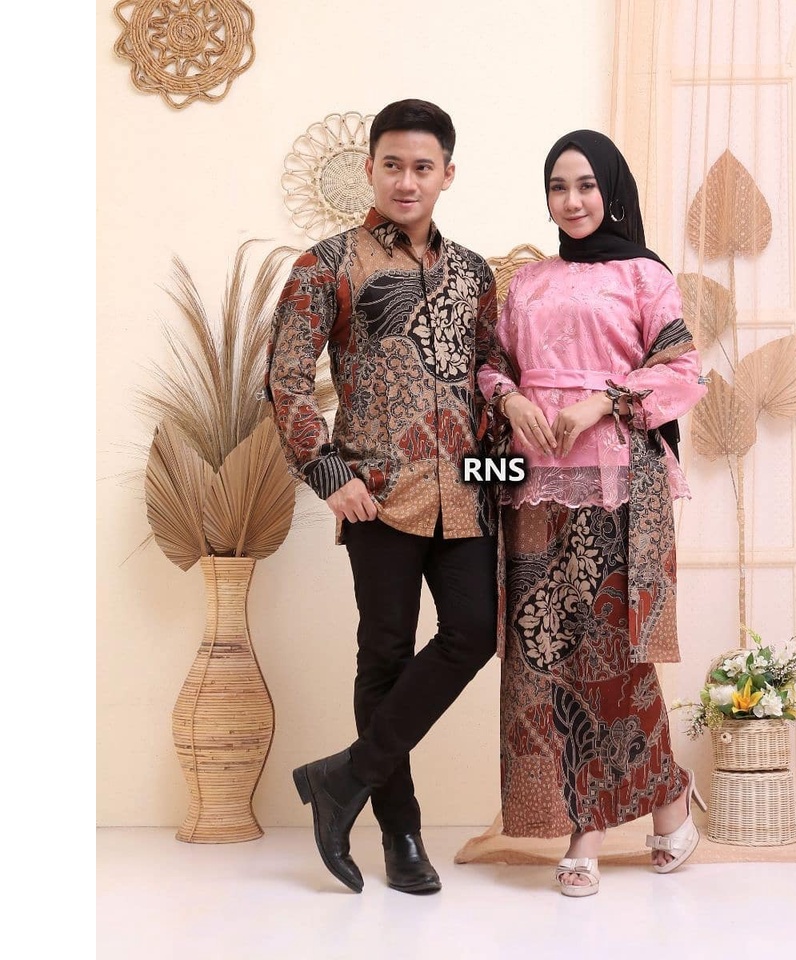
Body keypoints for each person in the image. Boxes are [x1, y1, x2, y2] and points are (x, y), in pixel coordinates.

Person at [265, 99, 500, 895]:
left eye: (422, 167)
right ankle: (402, 836)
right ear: (369, 168)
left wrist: (506, 479)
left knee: (473, 632)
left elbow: (490, 380)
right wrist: (330, 476)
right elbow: (286, 379)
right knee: (387, 655)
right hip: (376, 494)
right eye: (392, 165)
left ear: (447, 175)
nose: (407, 180)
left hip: (464, 495)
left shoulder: (474, 274)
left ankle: (344, 779)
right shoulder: (326, 262)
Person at [477, 129, 708, 897]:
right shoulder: (527, 283)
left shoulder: (645, 275)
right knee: (545, 656)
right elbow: (491, 364)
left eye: (585, 184)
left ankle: (590, 829)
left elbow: (681, 371)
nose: (571, 200)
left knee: (610, 657)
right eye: (557, 186)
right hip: (531, 484)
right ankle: (671, 797)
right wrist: (509, 399)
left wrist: (601, 403)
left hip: (615, 484)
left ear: (612, 190)